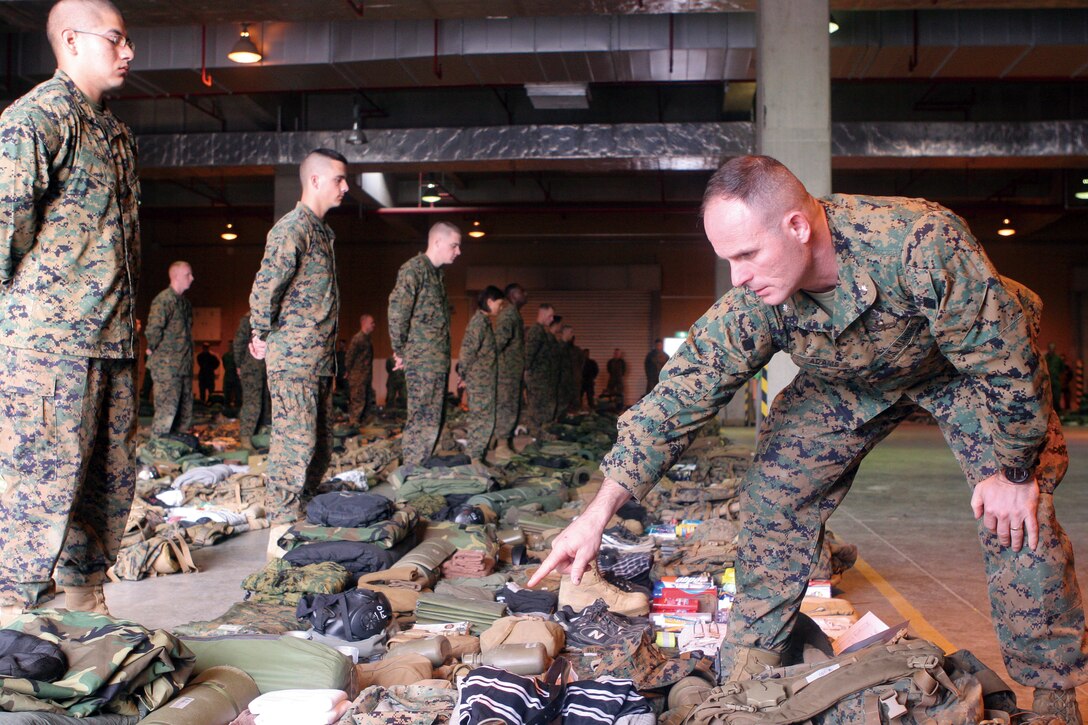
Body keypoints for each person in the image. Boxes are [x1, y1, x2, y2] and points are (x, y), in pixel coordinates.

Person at [529, 155, 1086, 723]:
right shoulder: (758, 298)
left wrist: (1016, 473)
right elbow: (679, 394)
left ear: (798, 226)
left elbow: (1006, 363)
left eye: (747, 255)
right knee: (774, 495)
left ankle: (1054, 693)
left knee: (1019, 515)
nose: (738, 276)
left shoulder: (918, 241)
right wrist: (598, 512)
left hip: (956, 369)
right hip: (845, 380)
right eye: (727, 260)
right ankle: (749, 669)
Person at [0, 0, 139, 622]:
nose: (128, 51)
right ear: (72, 40)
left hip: (108, 342)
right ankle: (9, 623)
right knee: (33, 496)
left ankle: (87, 611)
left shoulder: (113, 132)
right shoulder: (35, 120)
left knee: (104, 491)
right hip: (47, 348)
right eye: (116, 39)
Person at [248, 148, 347, 523]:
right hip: (294, 359)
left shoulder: (322, 232)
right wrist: (261, 331)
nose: (345, 186)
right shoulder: (293, 228)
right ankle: (282, 519)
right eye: (339, 178)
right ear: (316, 180)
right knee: (296, 444)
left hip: (319, 360)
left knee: (320, 446)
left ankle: (302, 509)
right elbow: (265, 286)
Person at [387, 221, 462, 465]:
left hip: (435, 360)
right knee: (421, 418)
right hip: (421, 360)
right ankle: (412, 469)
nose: (458, 251)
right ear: (438, 242)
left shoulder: (437, 275)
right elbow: (398, 312)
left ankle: (421, 464)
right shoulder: (414, 270)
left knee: (434, 417)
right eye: (454, 245)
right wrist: (399, 350)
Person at [145, 261, 194, 435]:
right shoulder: (164, 300)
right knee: (166, 414)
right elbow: (153, 330)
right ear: (176, 276)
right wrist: (151, 347)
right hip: (167, 368)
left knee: (185, 413)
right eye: (188, 274)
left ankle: (174, 451)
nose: (192, 278)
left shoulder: (185, 304)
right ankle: (157, 453)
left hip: (183, 366)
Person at [459, 286, 504, 464]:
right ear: (490, 302)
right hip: (479, 383)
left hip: (485, 382)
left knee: (485, 420)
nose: (500, 308)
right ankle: (473, 458)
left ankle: (479, 456)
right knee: (480, 421)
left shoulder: (484, 323)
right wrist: (463, 376)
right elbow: (467, 351)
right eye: (499, 304)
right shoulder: (478, 323)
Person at [493, 283, 527, 458]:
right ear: (513, 295)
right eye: (522, 291)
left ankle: (508, 442)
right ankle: (501, 444)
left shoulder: (514, 314)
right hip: (507, 373)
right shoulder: (508, 314)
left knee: (514, 407)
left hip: (513, 372)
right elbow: (498, 342)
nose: (525, 293)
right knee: (506, 407)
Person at [233, 311, 269, 448]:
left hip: (267, 369)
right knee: (252, 403)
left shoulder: (271, 318)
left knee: (265, 404)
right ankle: (246, 438)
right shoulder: (248, 319)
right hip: (251, 368)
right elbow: (239, 342)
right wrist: (239, 365)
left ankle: (259, 436)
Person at [523, 303, 556, 433]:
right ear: (542, 314)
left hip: (542, 378)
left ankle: (541, 431)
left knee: (543, 406)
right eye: (550, 316)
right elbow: (529, 354)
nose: (552, 319)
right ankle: (536, 432)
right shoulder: (536, 331)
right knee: (537, 407)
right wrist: (528, 374)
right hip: (537, 378)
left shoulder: (542, 331)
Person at [346, 314, 377, 426]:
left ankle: (364, 424)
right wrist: (347, 371)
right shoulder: (358, 338)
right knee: (358, 401)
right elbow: (350, 356)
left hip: (366, 376)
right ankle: (354, 424)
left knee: (368, 400)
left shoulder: (368, 339)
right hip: (358, 376)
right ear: (364, 324)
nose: (374, 325)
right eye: (372, 323)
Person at [1045, 343, 1066, 413]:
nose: (1051, 350)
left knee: (1056, 398)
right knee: (1047, 399)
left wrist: (1062, 382)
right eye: (1050, 348)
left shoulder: (1058, 359)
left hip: (1055, 381)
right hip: (1046, 382)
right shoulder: (1045, 358)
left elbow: (1062, 370)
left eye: (1053, 348)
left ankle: (1057, 413)